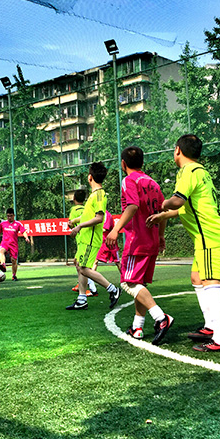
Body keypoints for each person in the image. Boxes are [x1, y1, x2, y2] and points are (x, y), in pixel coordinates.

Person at [147, 135, 220, 352]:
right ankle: (210, 326)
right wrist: (164, 216)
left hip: (210, 238)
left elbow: (177, 201)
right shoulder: (200, 171)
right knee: (197, 278)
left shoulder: (188, 171)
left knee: (212, 284)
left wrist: (162, 205)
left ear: (178, 150)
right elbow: (187, 208)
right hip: (206, 238)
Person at [106, 146, 173, 345]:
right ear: (143, 162)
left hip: (136, 241)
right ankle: (137, 327)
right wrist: (161, 236)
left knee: (128, 283)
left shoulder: (129, 180)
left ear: (123, 164)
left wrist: (115, 229)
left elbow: (133, 206)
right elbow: (163, 212)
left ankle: (161, 317)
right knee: (140, 284)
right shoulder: (153, 183)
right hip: (152, 240)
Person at [66, 162, 121, 311]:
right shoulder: (94, 195)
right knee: (79, 264)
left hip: (90, 239)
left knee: (83, 268)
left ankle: (113, 290)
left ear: (90, 177)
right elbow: (87, 215)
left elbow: (99, 218)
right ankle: (82, 299)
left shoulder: (99, 195)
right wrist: (75, 222)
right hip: (85, 238)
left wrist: (79, 226)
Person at [68, 189, 97, 296]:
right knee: (78, 263)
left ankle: (92, 288)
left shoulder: (73, 210)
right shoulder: (86, 209)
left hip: (82, 240)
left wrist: (72, 224)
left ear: (74, 198)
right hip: (88, 238)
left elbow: (70, 225)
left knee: (83, 267)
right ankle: (81, 285)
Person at [0, 208, 30, 281]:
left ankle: (14, 275)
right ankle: (3, 264)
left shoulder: (18, 224)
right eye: (8, 216)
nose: (9, 217)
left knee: (13, 260)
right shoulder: (3, 224)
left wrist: (26, 237)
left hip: (13, 244)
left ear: (14, 215)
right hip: (5, 242)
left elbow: (23, 231)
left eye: (10, 216)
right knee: (1, 251)